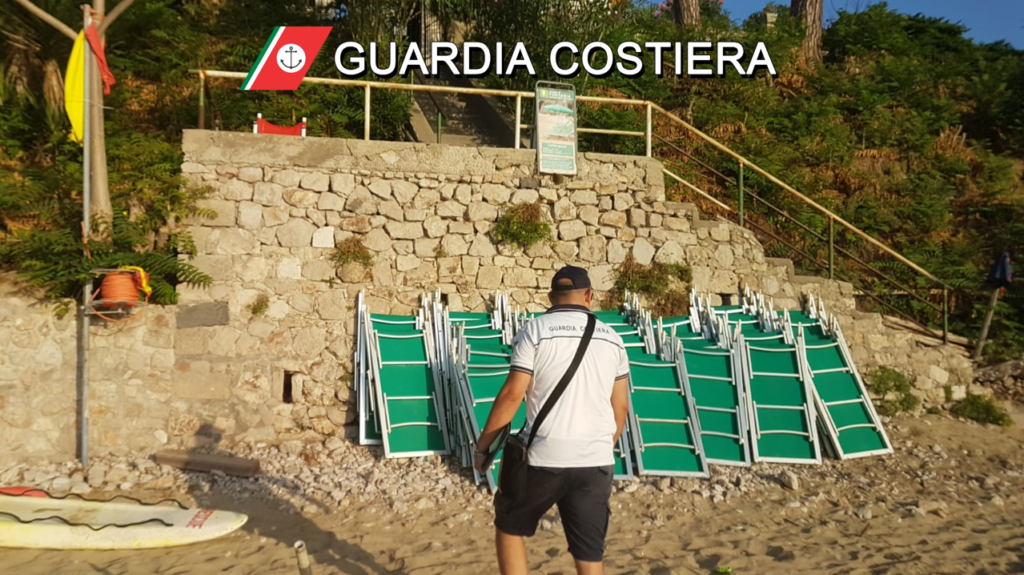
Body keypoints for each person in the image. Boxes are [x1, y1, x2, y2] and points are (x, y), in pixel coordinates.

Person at [474, 265, 630, 575]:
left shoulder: (536, 330)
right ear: (589, 296)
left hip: (545, 457)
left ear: (550, 297)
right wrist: (601, 447)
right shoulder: (613, 339)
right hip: (595, 461)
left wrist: (483, 449)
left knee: (509, 525)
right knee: (589, 552)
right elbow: (621, 408)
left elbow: (511, 396)